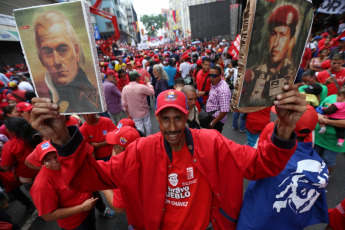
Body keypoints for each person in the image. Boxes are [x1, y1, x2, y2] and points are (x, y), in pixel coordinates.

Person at [30, 82, 307, 230]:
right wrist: (62, 139)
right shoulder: (140, 151)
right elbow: (90, 178)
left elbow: (261, 165)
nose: (172, 127)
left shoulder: (212, 142)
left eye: (179, 118)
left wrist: (283, 129)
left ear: (187, 118)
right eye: (165, 119)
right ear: (157, 120)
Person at [237, 105, 329, 230]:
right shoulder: (320, 166)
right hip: (291, 222)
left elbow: (250, 164)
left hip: (257, 219)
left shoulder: (272, 158)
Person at [34, 11, 100, 113]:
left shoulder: (93, 93)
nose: (57, 61)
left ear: (76, 52)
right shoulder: (43, 95)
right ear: (41, 58)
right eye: (47, 52)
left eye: (63, 50)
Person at [30, 141, 97, 230]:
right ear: (41, 162)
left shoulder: (65, 161)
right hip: (75, 223)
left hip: (89, 210)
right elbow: (47, 215)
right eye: (48, 160)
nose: (55, 162)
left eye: (55, 156)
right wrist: (82, 208)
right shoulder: (41, 185)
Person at [241, 5, 299, 106]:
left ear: (291, 40)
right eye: (273, 33)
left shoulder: (291, 75)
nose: (276, 43)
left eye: (282, 35)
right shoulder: (253, 73)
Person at [102, 126, 141, 213]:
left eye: (114, 145)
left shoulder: (123, 172)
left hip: (139, 214)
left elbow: (118, 207)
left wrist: (103, 187)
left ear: (121, 149)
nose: (112, 148)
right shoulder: (143, 154)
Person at [122, 71, 154, 136]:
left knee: (139, 127)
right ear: (137, 78)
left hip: (134, 113)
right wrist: (148, 83)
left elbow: (124, 103)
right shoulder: (141, 87)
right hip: (144, 111)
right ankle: (149, 137)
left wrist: (128, 112)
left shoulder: (125, 88)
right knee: (147, 125)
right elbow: (152, 92)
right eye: (139, 77)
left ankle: (141, 139)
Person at [205, 66, 231, 133]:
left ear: (220, 76)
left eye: (213, 76)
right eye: (209, 75)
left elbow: (225, 110)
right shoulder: (215, 83)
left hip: (216, 121)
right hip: (210, 116)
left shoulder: (223, 90)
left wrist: (213, 122)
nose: (211, 78)